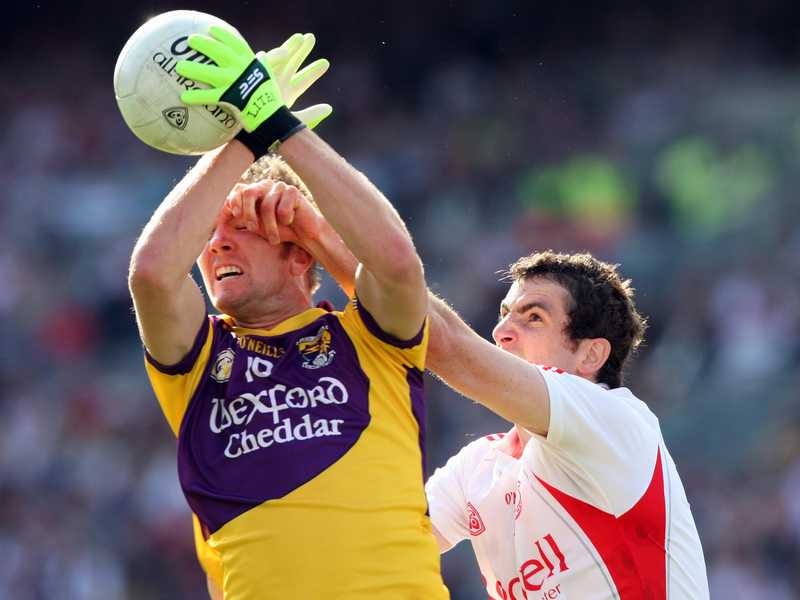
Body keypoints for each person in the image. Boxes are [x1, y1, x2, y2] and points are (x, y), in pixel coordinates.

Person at [127, 26, 448, 599]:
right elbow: (151, 273)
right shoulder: (198, 359)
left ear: (297, 251)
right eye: (208, 234)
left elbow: (398, 264)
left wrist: (282, 130)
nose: (216, 245)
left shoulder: (371, 339)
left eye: (241, 229)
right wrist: (246, 138)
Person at [423, 251, 710, 599]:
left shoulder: (614, 421)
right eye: (504, 315)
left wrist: (367, 253)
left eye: (533, 318)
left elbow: (452, 348)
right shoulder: (477, 468)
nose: (501, 333)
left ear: (590, 356)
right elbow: (388, 541)